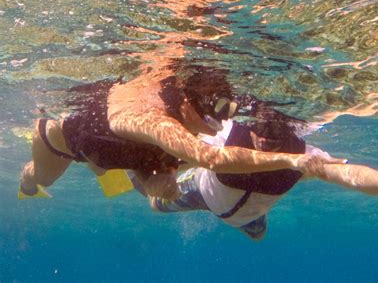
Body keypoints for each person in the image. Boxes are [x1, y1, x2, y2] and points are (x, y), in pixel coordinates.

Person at [19, 48, 335, 200]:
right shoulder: (149, 118)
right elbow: (210, 159)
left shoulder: (180, 131)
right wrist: (293, 160)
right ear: (185, 100)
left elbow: (150, 180)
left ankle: (100, 168)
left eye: (226, 109)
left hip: (110, 150)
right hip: (62, 142)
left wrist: (157, 185)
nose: (220, 121)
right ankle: (27, 181)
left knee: (111, 170)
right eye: (211, 109)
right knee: (42, 181)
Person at [146, 115, 378, 240]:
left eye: (276, 135)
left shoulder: (304, 156)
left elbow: (351, 174)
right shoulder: (224, 135)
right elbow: (173, 139)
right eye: (257, 130)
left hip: (249, 219)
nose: (264, 138)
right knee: (155, 204)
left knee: (258, 236)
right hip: (201, 191)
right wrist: (160, 175)